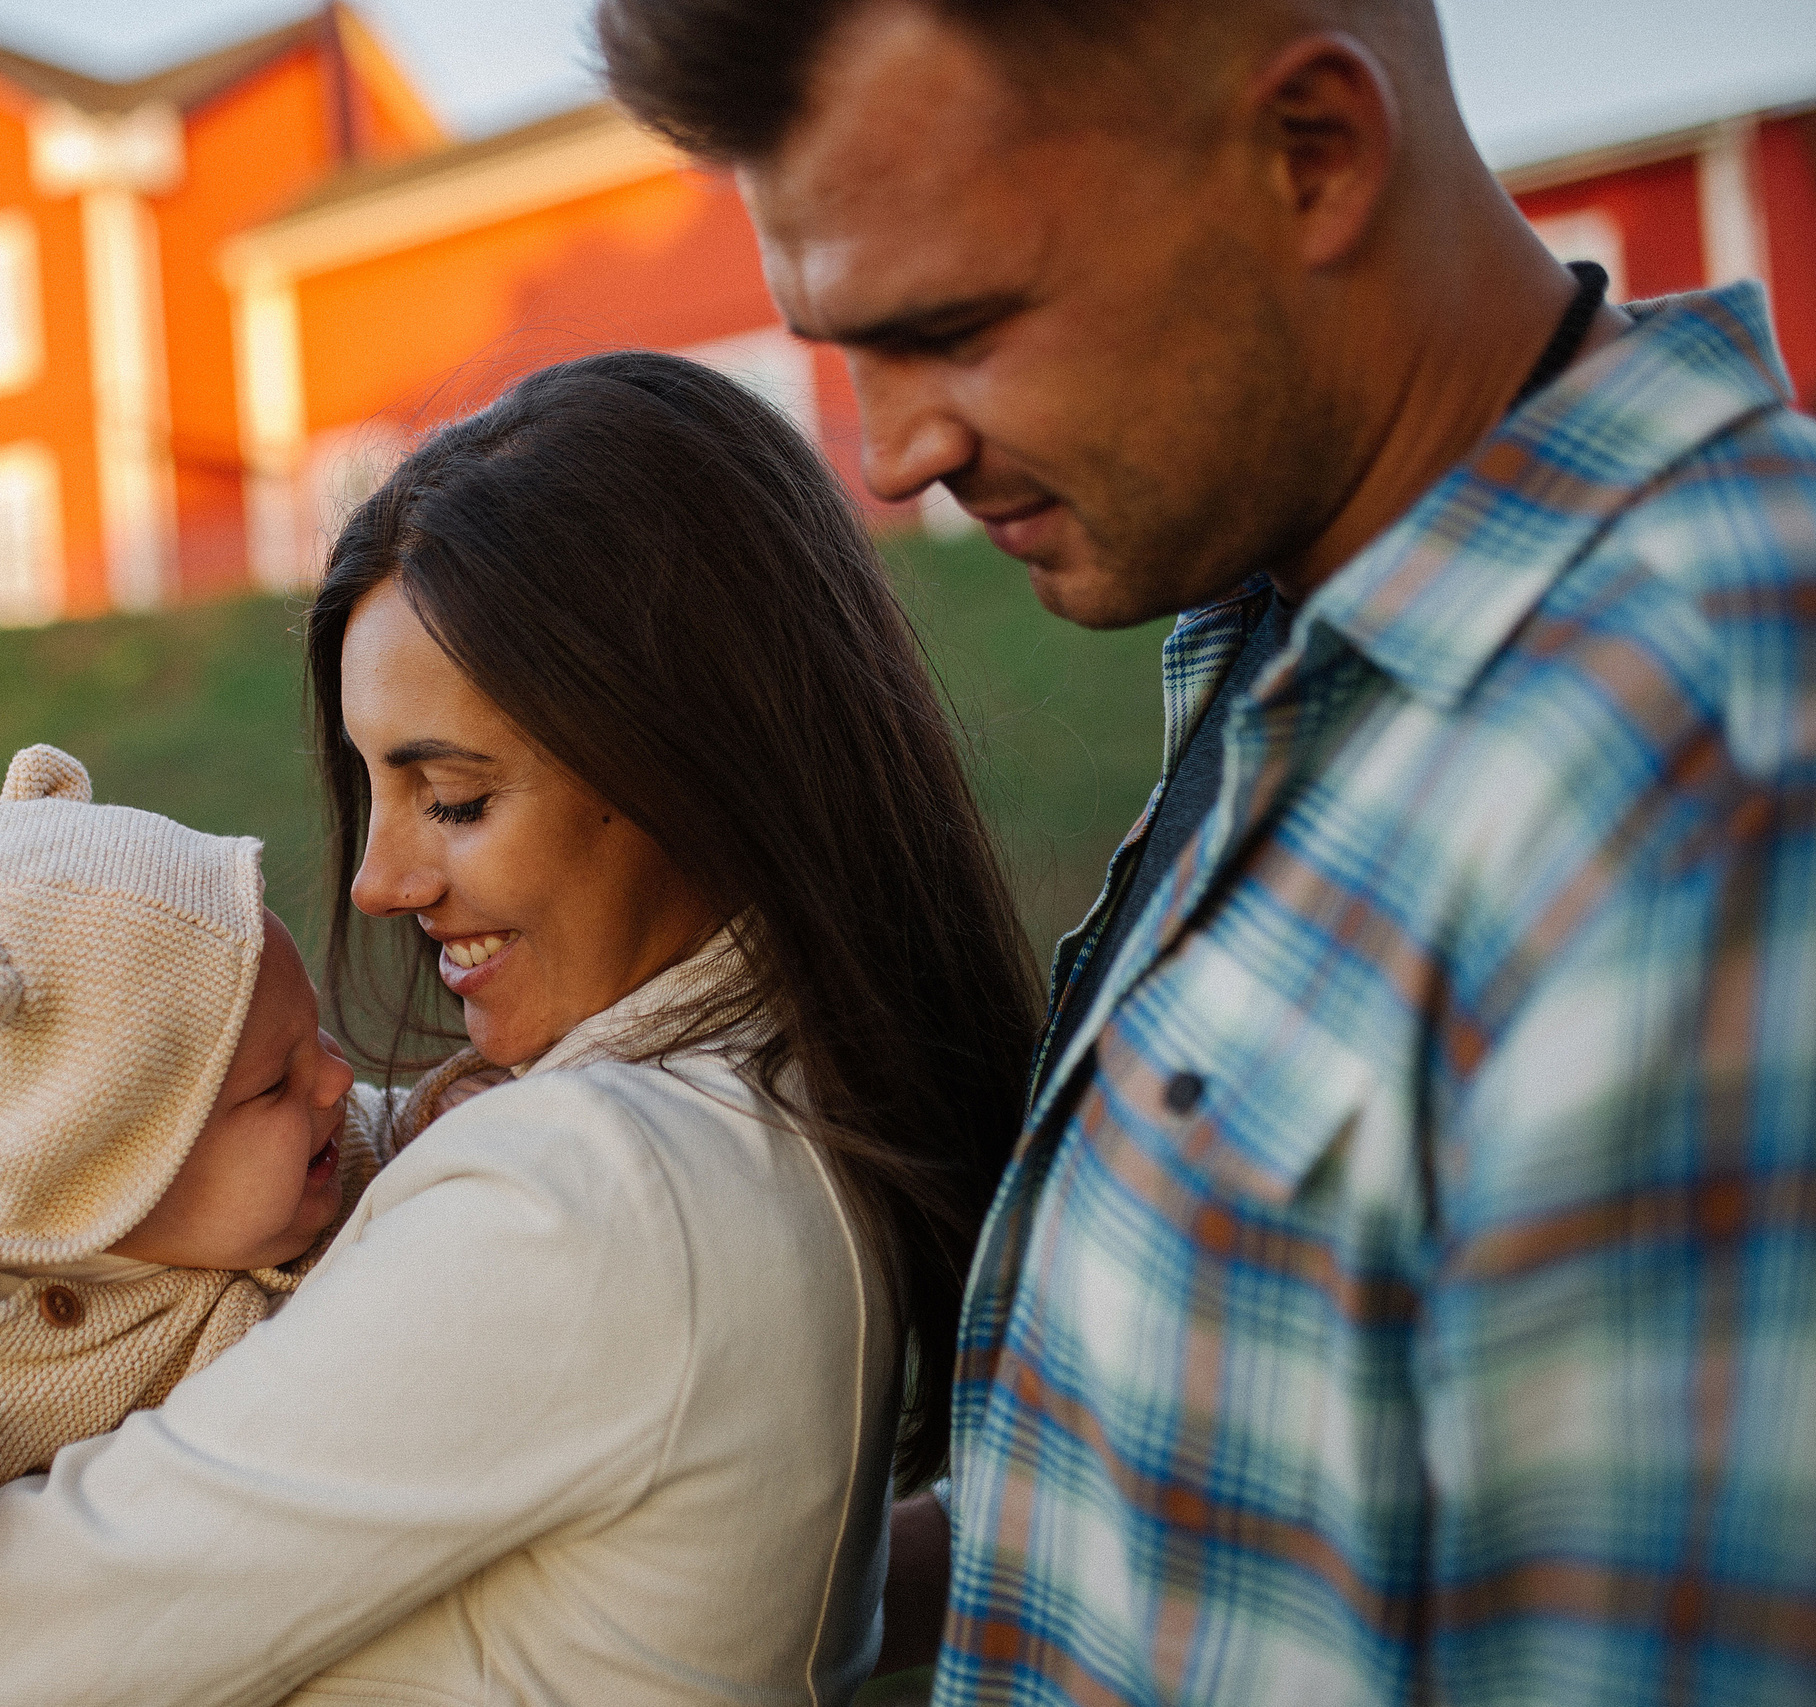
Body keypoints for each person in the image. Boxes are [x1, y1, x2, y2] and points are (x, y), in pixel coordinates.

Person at [598, 0, 1816, 1700]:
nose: (891, 456)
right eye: (840, 349)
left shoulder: (1716, 769)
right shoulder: (1293, 629)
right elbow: (1211, 1526)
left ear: (1310, 151)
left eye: (955, 326)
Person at [0, 350, 1046, 1704]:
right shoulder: (785, 1099)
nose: (376, 881)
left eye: (458, 799)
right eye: (374, 788)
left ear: (699, 759)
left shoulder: (586, 1191)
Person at [0, 743, 475, 1700]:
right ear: (113, 1168)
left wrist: (460, 1107)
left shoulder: (333, 1146)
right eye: (275, 1081)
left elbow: (396, 1125)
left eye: (314, 1033)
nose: (333, 1077)